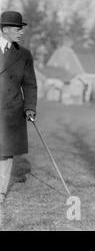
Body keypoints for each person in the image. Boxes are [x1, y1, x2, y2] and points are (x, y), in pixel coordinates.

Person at [0, 11, 37, 204]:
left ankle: (1, 191)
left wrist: (30, 107)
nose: (21, 32)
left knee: (5, 153)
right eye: (17, 28)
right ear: (5, 30)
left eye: (21, 28)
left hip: (11, 112)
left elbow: (30, 84)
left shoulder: (24, 55)